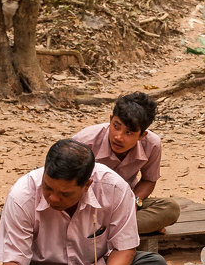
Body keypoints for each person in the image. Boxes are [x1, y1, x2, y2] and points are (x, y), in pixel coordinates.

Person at [0, 139, 168, 265]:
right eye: (48, 188)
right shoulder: (21, 196)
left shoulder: (115, 188)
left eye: (65, 194)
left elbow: (125, 248)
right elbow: (16, 264)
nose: (53, 198)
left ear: (87, 184)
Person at [72, 92, 180, 235]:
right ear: (110, 120)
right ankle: (127, 229)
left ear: (142, 135)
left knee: (170, 209)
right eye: (116, 126)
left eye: (129, 133)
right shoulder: (84, 142)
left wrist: (134, 203)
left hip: (124, 205)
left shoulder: (152, 145)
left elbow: (148, 180)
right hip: (86, 205)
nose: (118, 137)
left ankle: (101, 232)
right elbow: (66, 184)